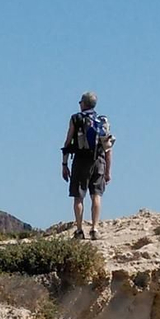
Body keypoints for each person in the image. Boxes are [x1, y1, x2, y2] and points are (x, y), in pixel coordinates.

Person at [60, 90, 113, 240]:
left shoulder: (76, 119)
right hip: (99, 161)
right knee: (96, 195)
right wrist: (108, 171)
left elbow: (67, 142)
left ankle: (79, 230)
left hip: (80, 161)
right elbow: (108, 148)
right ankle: (95, 229)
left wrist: (64, 164)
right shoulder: (102, 121)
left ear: (83, 103)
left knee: (78, 197)